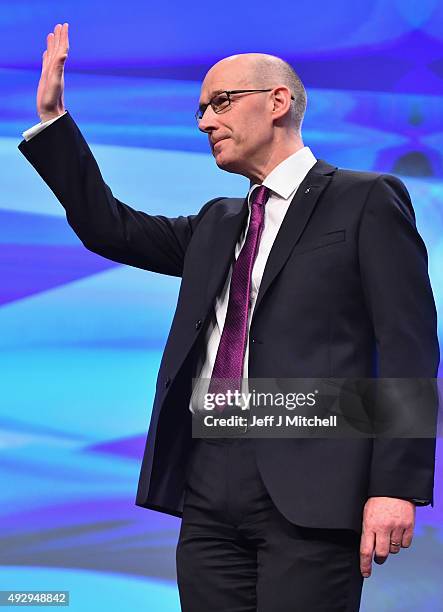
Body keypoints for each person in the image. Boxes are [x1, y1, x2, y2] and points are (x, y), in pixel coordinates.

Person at [19, 23, 439, 612]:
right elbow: (108, 227)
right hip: (210, 479)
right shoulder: (217, 222)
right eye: (199, 111)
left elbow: (409, 346)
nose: (204, 123)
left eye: (219, 103)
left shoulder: (366, 199)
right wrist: (54, 122)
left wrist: (395, 485)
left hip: (312, 482)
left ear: (277, 102)